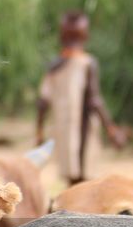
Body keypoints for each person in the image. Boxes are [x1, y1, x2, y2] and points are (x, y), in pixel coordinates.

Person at [35, 11, 127, 185]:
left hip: (64, 131)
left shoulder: (54, 66)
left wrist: (39, 132)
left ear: (61, 35)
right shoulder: (88, 63)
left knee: (72, 177)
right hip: (85, 131)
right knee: (85, 177)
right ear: (86, 35)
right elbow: (95, 100)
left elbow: (42, 102)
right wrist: (111, 129)